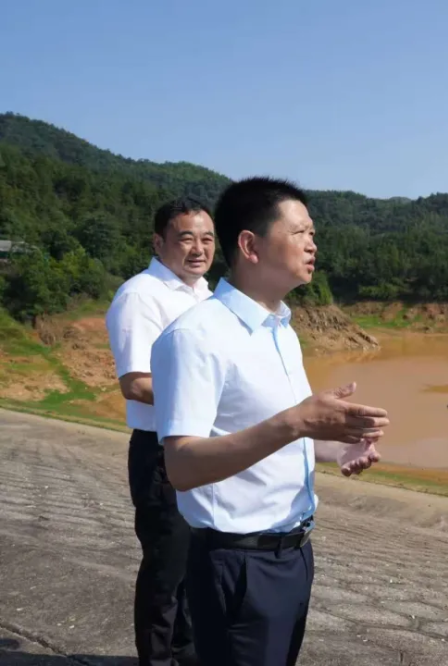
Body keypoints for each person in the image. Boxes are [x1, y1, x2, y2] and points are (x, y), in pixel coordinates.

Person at [149, 176, 389, 666]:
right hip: (237, 562)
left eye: (313, 233)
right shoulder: (197, 336)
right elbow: (182, 466)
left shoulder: (280, 328)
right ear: (250, 245)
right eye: (299, 232)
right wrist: (297, 422)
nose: (312, 244)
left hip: (294, 550)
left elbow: (276, 433)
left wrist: (337, 445)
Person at [104, 196, 217, 666]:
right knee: (166, 572)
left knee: (196, 566)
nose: (198, 248)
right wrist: (211, 401)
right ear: (158, 242)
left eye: (207, 238)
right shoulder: (141, 295)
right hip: (161, 453)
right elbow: (136, 383)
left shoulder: (206, 296)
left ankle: (186, 656)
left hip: (205, 450)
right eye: (186, 238)